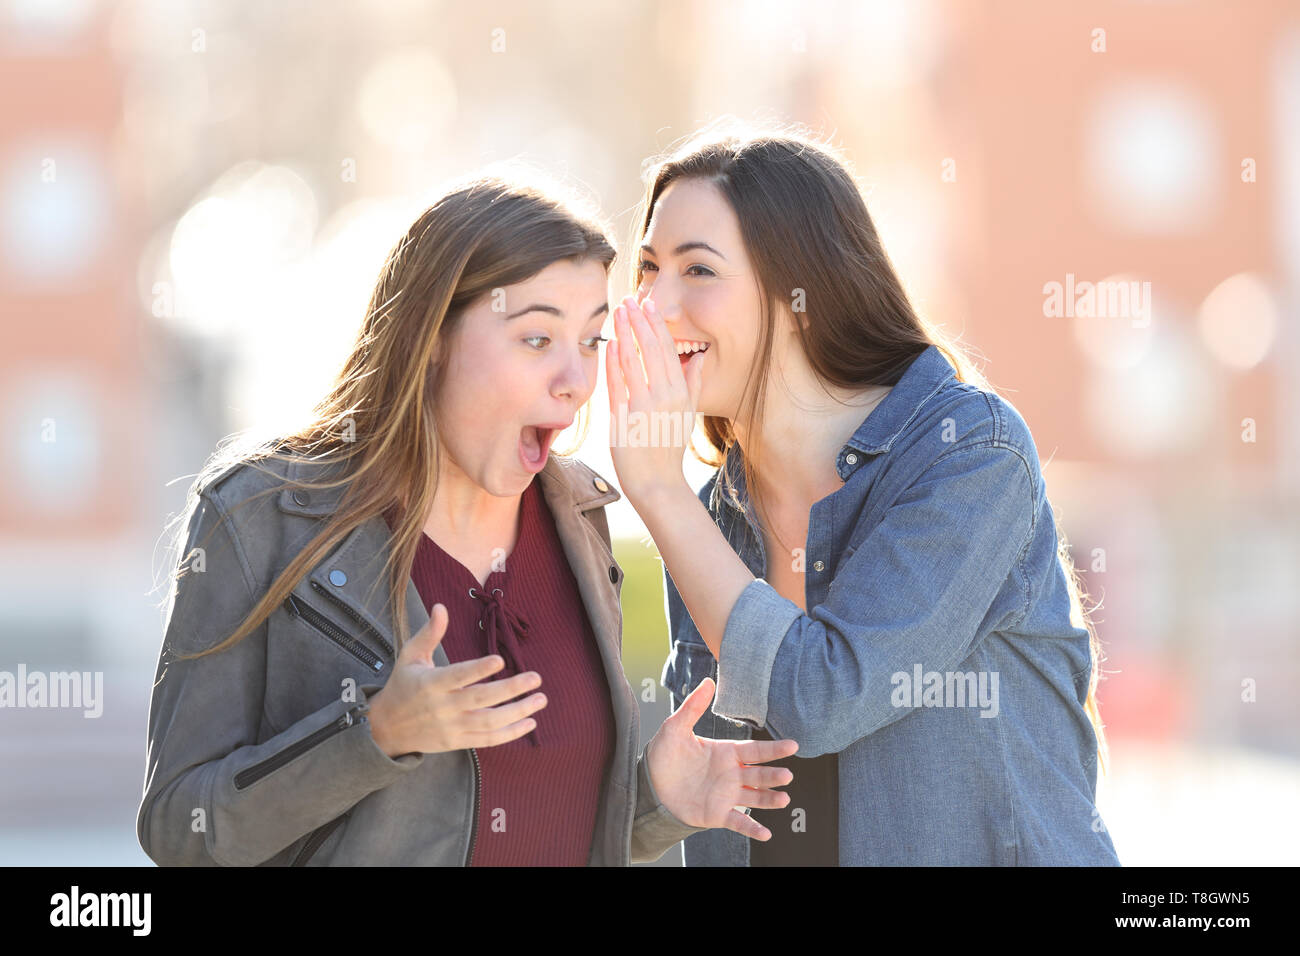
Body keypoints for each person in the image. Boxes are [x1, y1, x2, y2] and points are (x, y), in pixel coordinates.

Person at [136, 172, 799, 866]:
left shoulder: (580, 519)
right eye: (538, 339)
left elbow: (534, 820)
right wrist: (373, 737)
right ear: (431, 340)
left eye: (593, 341)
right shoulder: (260, 516)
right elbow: (182, 828)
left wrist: (652, 803)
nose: (575, 379)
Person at [604, 122, 1122, 866]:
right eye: (648, 269)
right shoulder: (713, 516)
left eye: (698, 271)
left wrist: (656, 490)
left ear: (799, 294)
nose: (653, 306)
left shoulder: (970, 456)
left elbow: (822, 696)